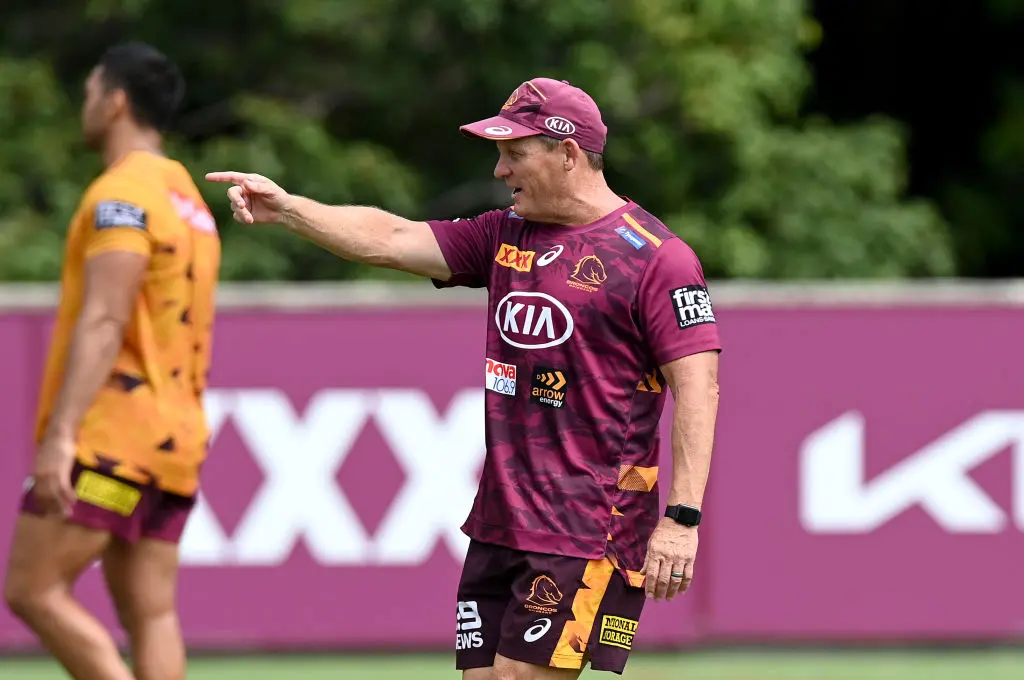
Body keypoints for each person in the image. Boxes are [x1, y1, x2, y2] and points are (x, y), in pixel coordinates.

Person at [206, 77, 720, 679]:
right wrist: (290, 209)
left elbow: (699, 388)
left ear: (568, 153)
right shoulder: (503, 234)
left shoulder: (657, 257)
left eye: (514, 153)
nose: (500, 171)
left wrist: (681, 520)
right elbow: (392, 239)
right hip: (501, 520)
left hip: (589, 525)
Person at [3, 43, 221, 680]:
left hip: (113, 437)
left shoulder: (121, 194)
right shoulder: (189, 200)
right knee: (152, 615)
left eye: (90, 93)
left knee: (32, 589)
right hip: (176, 441)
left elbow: (104, 319)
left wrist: (61, 435)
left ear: (116, 101)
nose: (85, 106)